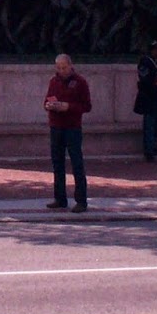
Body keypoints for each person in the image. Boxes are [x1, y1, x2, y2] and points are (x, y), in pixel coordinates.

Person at [43, 53, 92, 212]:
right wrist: (50, 106)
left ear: (70, 66)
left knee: (77, 163)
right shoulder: (54, 81)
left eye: (64, 67)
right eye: (58, 67)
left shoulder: (80, 82)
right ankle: (60, 198)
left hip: (72, 127)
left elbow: (87, 106)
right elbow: (46, 100)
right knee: (57, 163)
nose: (61, 70)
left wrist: (68, 107)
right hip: (56, 126)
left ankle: (81, 200)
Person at [133, 40, 157, 161]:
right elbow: (144, 80)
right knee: (149, 125)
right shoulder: (145, 62)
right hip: (149, 98)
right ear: (152, 50)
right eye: (156, 49)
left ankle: (154, 147)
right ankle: (148, 150)